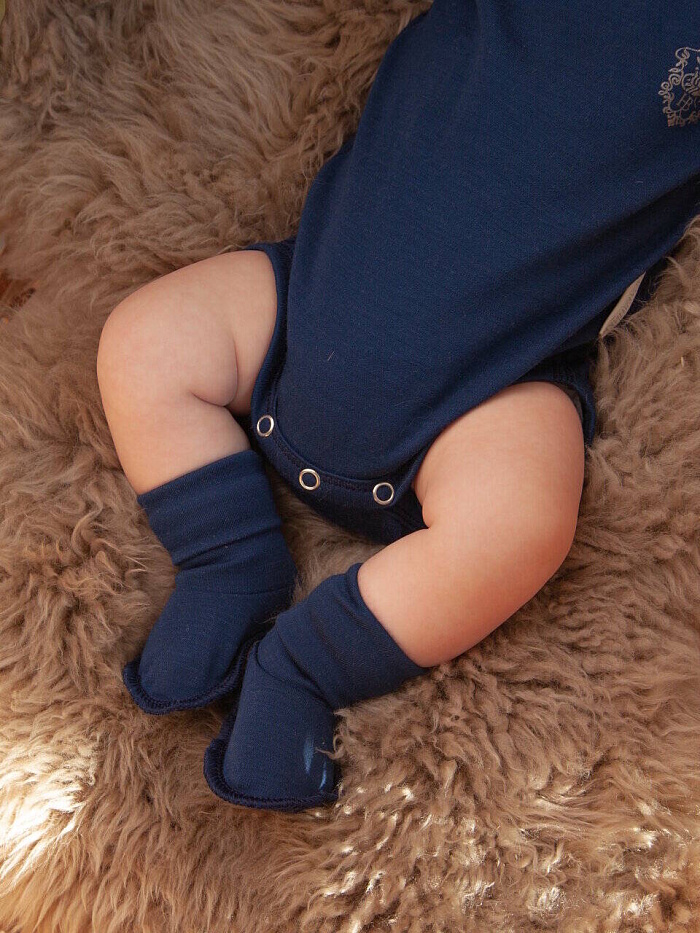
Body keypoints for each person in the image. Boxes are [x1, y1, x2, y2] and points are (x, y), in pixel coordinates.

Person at [96, 0, 700, 810]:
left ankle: (306, 664)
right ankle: (227, 556)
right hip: (305, 304)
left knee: (522, 523)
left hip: (495, 383)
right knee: (145, 340)